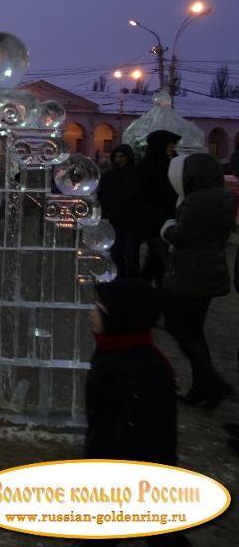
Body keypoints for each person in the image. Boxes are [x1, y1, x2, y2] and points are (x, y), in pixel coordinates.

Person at [85, 278, 191, 546]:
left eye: (99, 308)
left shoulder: (138, 369)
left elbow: (144, 430)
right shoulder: (113, 350)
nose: (91, 312)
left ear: (121, 318)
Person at [161, 152, 234, 409]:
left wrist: (167, 227)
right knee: (191, 331)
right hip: (208, 272)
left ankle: (207, 386)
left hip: (192, 274)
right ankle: (209, 384)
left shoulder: (198, 201)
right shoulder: (220, 195)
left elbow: (182, 236)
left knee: (187, 332)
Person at [133, 130, 180, 290]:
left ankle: (142, 293)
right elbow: (142, 197)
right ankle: (162, 298)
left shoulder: (171, 163)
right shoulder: (146, 167)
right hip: (154, 223)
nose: (173, 147)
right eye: (170, 144)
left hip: (168, 219)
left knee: (153, 263)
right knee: (163, 263)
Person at [96, 144, 139, 278]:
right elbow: (103, 196)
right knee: (116, 253)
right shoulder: (110, 176)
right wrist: (106, 213)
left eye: (122, 156)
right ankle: (119, 279)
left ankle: (133, 279)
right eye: (116, 157)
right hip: (114, 220)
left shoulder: (136, 175)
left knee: (131, 252)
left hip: (132, 220)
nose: (119, 160)